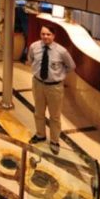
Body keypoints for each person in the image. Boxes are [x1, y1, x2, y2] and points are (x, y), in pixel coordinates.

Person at [27, 23, 76, 154]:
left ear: (54, 36)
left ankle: (54, 141)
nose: (45, 37)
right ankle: (40, 135)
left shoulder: (61, 51)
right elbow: (31, 59)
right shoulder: (34, 47)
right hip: (38, 84)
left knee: (54, 116)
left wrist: (59, 75)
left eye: (48, 34)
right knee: (38, 112)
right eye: (43, 34)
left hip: (55, 88)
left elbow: (71, 66)